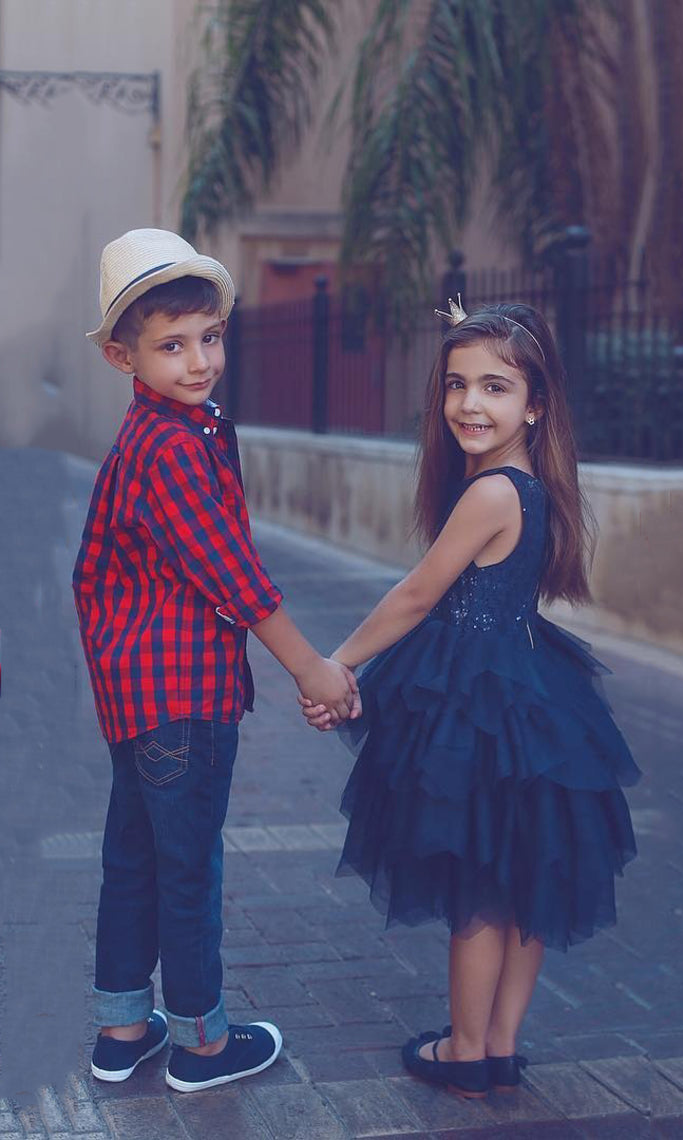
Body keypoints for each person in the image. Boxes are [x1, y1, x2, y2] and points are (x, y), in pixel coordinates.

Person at [301, 298, 640, 1099]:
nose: (470, 404)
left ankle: (463, 1050)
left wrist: (336, 664)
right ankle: (499, 1043)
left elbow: (418, 596)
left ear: (536, 402)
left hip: (480, 704)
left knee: (480, 889)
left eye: (495, 386)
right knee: (524, 877)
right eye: (456, 385)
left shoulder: (489, 495)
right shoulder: (532, 486)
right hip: (535, 698)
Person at [73, 228, 359, 1093]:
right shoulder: (168, 448)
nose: (199, 361)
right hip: (179, 698)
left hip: (137, 698)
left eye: (209, 337)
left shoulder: (168, 429)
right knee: (188, 865)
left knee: (136, 858)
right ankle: (201, 1043)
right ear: (125, 356)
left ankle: (123, 1029)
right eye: (171, 345)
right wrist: (312, 668)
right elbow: (233, 575)